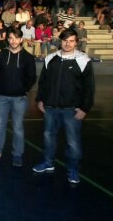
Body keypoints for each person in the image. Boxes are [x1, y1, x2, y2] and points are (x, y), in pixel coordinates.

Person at [33, 28, 95, 184]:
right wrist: (40, 99)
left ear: (76, 42)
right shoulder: (51, 59)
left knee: (73, 142)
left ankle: (73, 170)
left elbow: (89, 87)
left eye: (71, 41)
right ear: (60, 41)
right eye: (65, 40)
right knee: (48, 137)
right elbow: (43, 83)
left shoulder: (83, 60)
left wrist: (84, 108)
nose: (68, 44)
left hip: (71, 110)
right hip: (51, 108)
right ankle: (48, 163)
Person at [0, 27, 37, 167]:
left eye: (16, 38)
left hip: (19, 98)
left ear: (21, 39)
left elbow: (32, 77)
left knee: (18, 127)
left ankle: (17, 154)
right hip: (1, 97)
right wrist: (1, 87)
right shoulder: (1, 55)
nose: (13, 41)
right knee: (0, 126)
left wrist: (24, 89)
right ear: (7, 39)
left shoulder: (27, 58)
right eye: (10, 38)